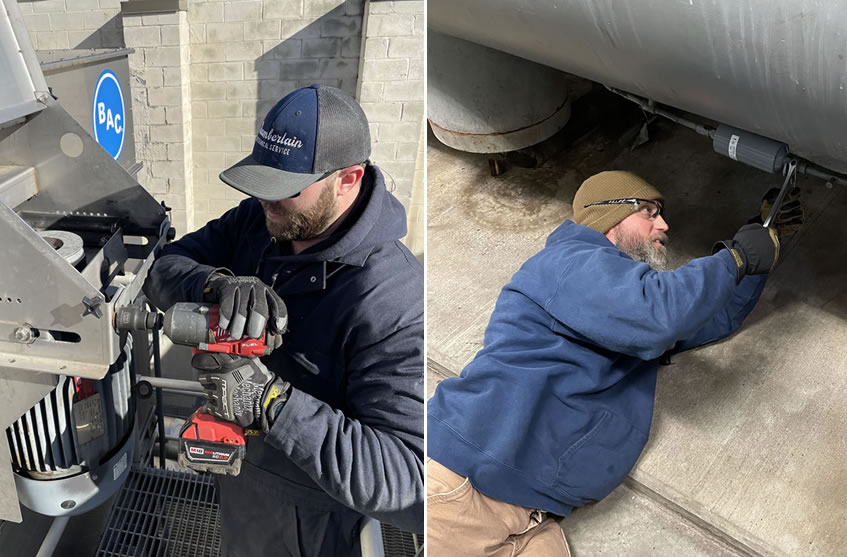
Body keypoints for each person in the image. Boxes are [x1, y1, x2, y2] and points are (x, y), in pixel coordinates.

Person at [426, 170, 802, 556]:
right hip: (463, 487)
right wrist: (735, 257)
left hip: (535, 518)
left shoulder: (621, 308)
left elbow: (709, 319)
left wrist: (759, 251)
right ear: (606, 216)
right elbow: (662, 315)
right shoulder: (569, 262)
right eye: (649, 212)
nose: (664, 225)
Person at [143, 85, 424, 556]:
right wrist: (215, 286)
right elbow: (165, 265)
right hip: (242, 484)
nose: (265, 201)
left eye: (284, 189)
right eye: (261, 183)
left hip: (312, 521)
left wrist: (272, 402)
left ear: (349, 178)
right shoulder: (263, 221)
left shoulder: (391, 301)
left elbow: (406, 480)